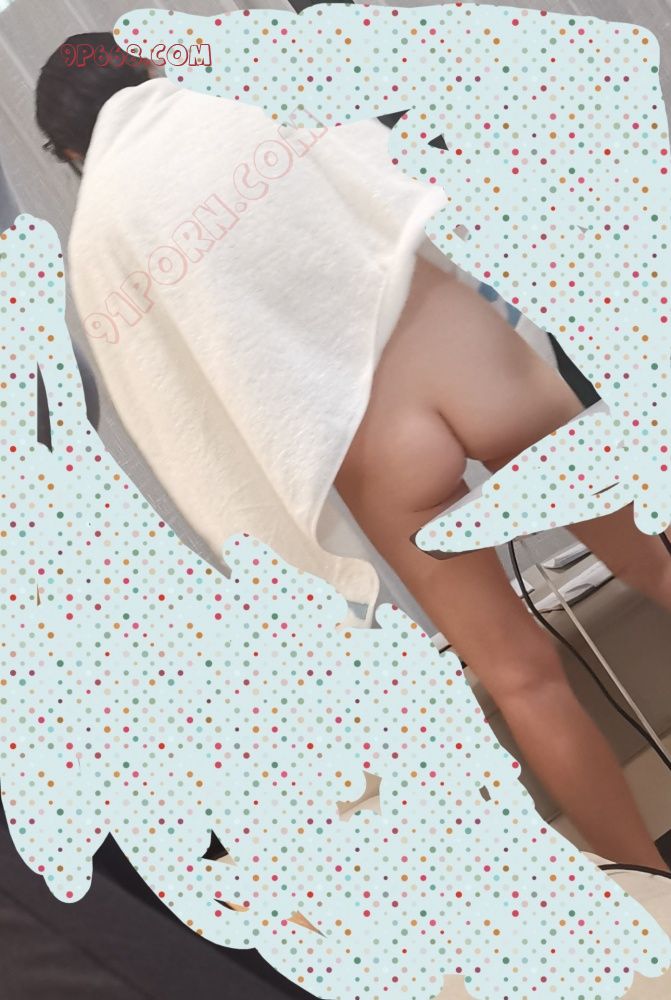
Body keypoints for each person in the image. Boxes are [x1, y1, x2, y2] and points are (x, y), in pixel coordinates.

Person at [36, 32, 671, 872]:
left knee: (521, 679)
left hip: (371, 451)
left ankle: (650, 893)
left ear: (67, 151)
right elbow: (393, 166)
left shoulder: (97, 239)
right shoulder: (239, 97)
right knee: (655, 564)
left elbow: (176, 410)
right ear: (147, 68)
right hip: (467, 363)